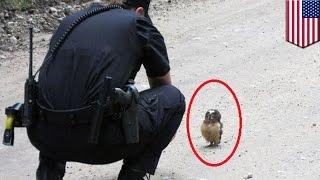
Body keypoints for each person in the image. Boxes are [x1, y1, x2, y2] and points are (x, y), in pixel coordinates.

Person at [28, 0, 186, 179]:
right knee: (174, 99)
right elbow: (163, 87)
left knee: (63, 96)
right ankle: (131, 176)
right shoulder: (138, 23)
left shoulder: (70, 21)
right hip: (98, 141)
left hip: (44, 136)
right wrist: (162, 129)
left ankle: (48, 175)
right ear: (140, 11)